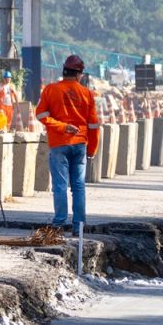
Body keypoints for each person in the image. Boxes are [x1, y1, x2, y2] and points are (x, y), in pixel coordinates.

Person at [35, 54, 100, 234]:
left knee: (60, 186)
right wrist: (92, 149)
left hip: (58, 144)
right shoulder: (87, 94)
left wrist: (61, 127)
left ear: (64, 71)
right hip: (80, 145)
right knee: (78, 186)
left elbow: (40, 114)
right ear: (79, 74)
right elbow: (94, 125)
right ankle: (79, 225)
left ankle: (58, 224)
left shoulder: (50, 90)